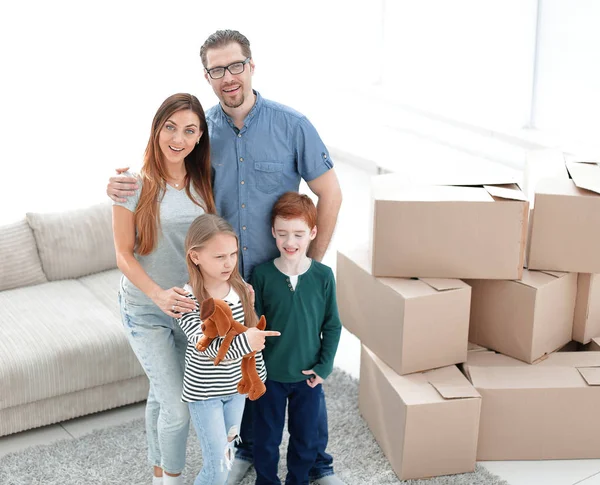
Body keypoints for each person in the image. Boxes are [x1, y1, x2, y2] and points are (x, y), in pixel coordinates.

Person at [107, 30, 344, 485]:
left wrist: (307, 264)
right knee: (244, 371)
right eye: (217, 70)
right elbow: (163, 178)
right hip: (223, 285)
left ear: (252, 66)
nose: (228, 77)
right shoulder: (203, 131)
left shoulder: (292, 124)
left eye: (236, 65)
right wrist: (119, 187)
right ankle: (247, 452)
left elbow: (330, 191)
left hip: (279, 275)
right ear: (208, 77)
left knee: (298, 367)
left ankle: (317, 465)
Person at [113, 93, 215, 485]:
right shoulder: (131, 186)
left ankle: (158, 473)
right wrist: (157, 294)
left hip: (188, 312)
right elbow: (123, 255)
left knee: (162, 394)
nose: (178, 138)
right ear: (157, 129)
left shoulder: (205, 183)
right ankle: (170, 479)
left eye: (190, 130)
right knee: (177, 408)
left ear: (200, 137)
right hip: (145, 309)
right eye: (170, 127)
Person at [177, 213, 280, 485]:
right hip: (205, 395)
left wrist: (257, 375)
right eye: (220, 256)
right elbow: (209, 350)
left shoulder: (241, 290)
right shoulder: (187, 300)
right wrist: (250, 341)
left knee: (228, 458)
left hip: (236, 392)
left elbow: (250, 340)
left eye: (233, 254)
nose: (229, 263)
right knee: (218, 466)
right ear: (195, 256)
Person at [250, 192, 342, 485]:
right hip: (270, 378)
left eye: (299, 234)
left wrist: (323, 368)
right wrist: (255, 371)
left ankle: (298, 481)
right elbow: (254, 327)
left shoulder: (324, 276)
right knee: (266, 438)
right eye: (282, 234)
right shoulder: (261, 275)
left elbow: (333, 325)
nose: (291, 242)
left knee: (305, 438)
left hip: (308, 378)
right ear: (273, 233)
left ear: (312, 233)